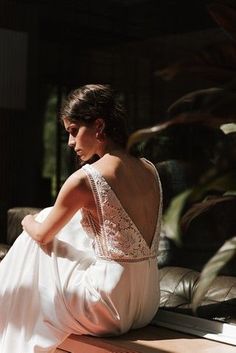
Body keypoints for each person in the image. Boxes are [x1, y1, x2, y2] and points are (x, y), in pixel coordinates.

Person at [0, 84, 162, 353]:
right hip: (147, 302)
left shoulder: (86, 178)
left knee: (38, 232)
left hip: (107, 307)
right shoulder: (150, 170)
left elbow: (42, 235)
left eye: (74, 131)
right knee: (64, 223)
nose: (70, 143)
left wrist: (27, 222)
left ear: (99, 126)